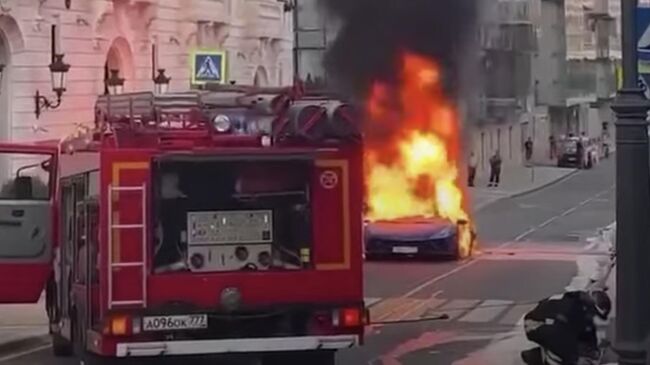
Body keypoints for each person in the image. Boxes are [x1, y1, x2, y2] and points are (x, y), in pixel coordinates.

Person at [521, 290, 611, 365]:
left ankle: (545, 353)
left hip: (555, 327)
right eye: (594, 313)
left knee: (574, 341)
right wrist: (575, 359)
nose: (593, 316)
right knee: (562, 351)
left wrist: (593, 349)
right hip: (534, 324)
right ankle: (541, 357)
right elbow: (558, 336)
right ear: (589, 307)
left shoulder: (581, 307)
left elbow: (587, 329)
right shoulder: (568, 310)